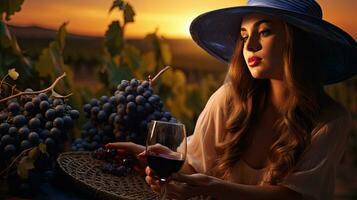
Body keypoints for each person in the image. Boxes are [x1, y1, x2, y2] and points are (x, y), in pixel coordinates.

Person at [106, 0, 357, 199]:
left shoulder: (330, 120)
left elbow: (295, 196)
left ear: (298, 41)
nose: (250, 46)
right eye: (245, 36)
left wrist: (211, 187)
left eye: (265, 31)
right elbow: (195, 169)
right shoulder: (228, 100)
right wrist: (157, 159)